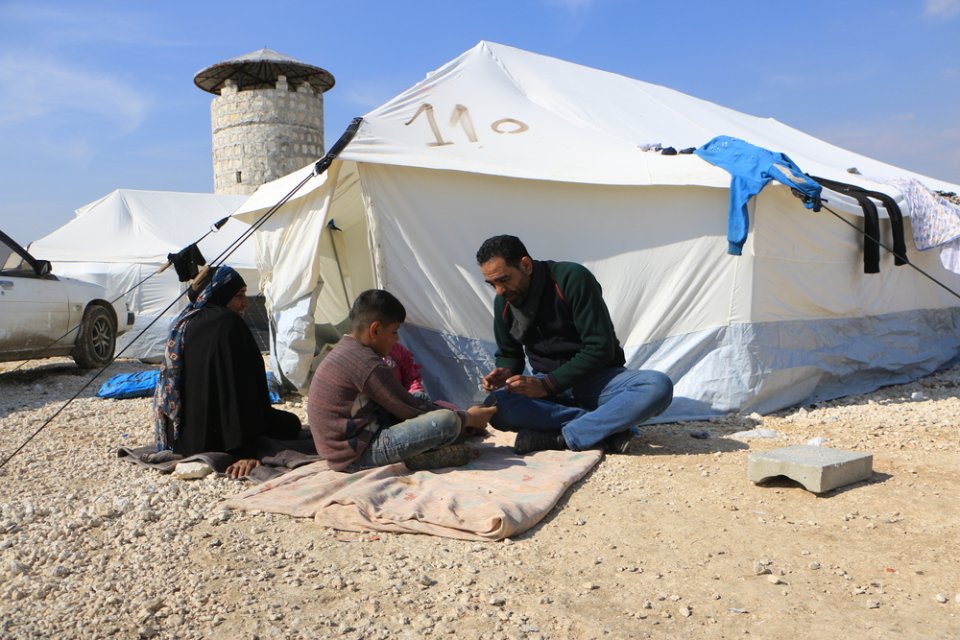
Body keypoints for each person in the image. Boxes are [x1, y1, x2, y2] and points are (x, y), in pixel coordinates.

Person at [476, 235, 674, 455]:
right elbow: (509, 353)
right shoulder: (504, 302)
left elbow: (600, 348)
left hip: (597, 382)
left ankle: (562, 437)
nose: (499, 290)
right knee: (496, 405)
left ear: (526, 265)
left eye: (504, 279)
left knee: (657, 386)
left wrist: (547, 385)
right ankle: (607, 428)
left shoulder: (571, 278)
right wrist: (505, 371)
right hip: (546, 387)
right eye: (492, 283)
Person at [307, 289, 496, 472]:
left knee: (422, 400)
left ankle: (428, 448)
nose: (396, 340)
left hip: (349, 444)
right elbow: (409, 410)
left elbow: (405, 403)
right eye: (394, 332)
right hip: (355, 455)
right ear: (376, 330)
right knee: (447, 421)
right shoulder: (367, 363)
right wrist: (468, 418)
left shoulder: (347, 350)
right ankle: (419, 455)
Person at [154, 266, 303, 478]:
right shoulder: (229, 323)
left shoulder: (183, 321)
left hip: (182, 438)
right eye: (239, 295)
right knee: (290, 424)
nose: (246, 303)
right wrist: (245, 451)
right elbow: (241, 391)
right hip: (225, 439)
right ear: (221, 294)